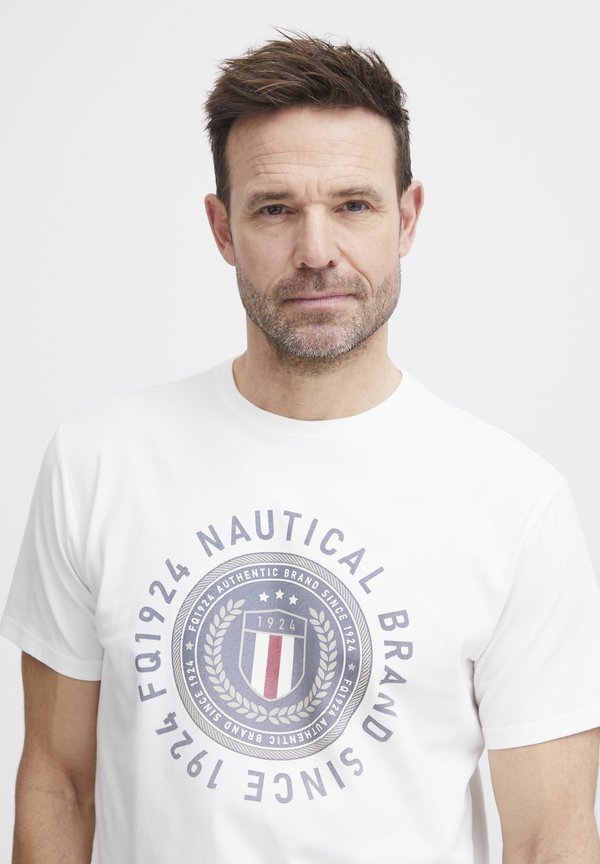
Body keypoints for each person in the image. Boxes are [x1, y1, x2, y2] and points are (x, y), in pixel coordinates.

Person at [2, 30, 600, 864]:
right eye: (275, 209)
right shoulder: (98, 463)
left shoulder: (515, 502)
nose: (317, 252)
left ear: (407, 217)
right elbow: (58, 783)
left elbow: (549, 839)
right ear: (222, 228)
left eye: (353, 205)